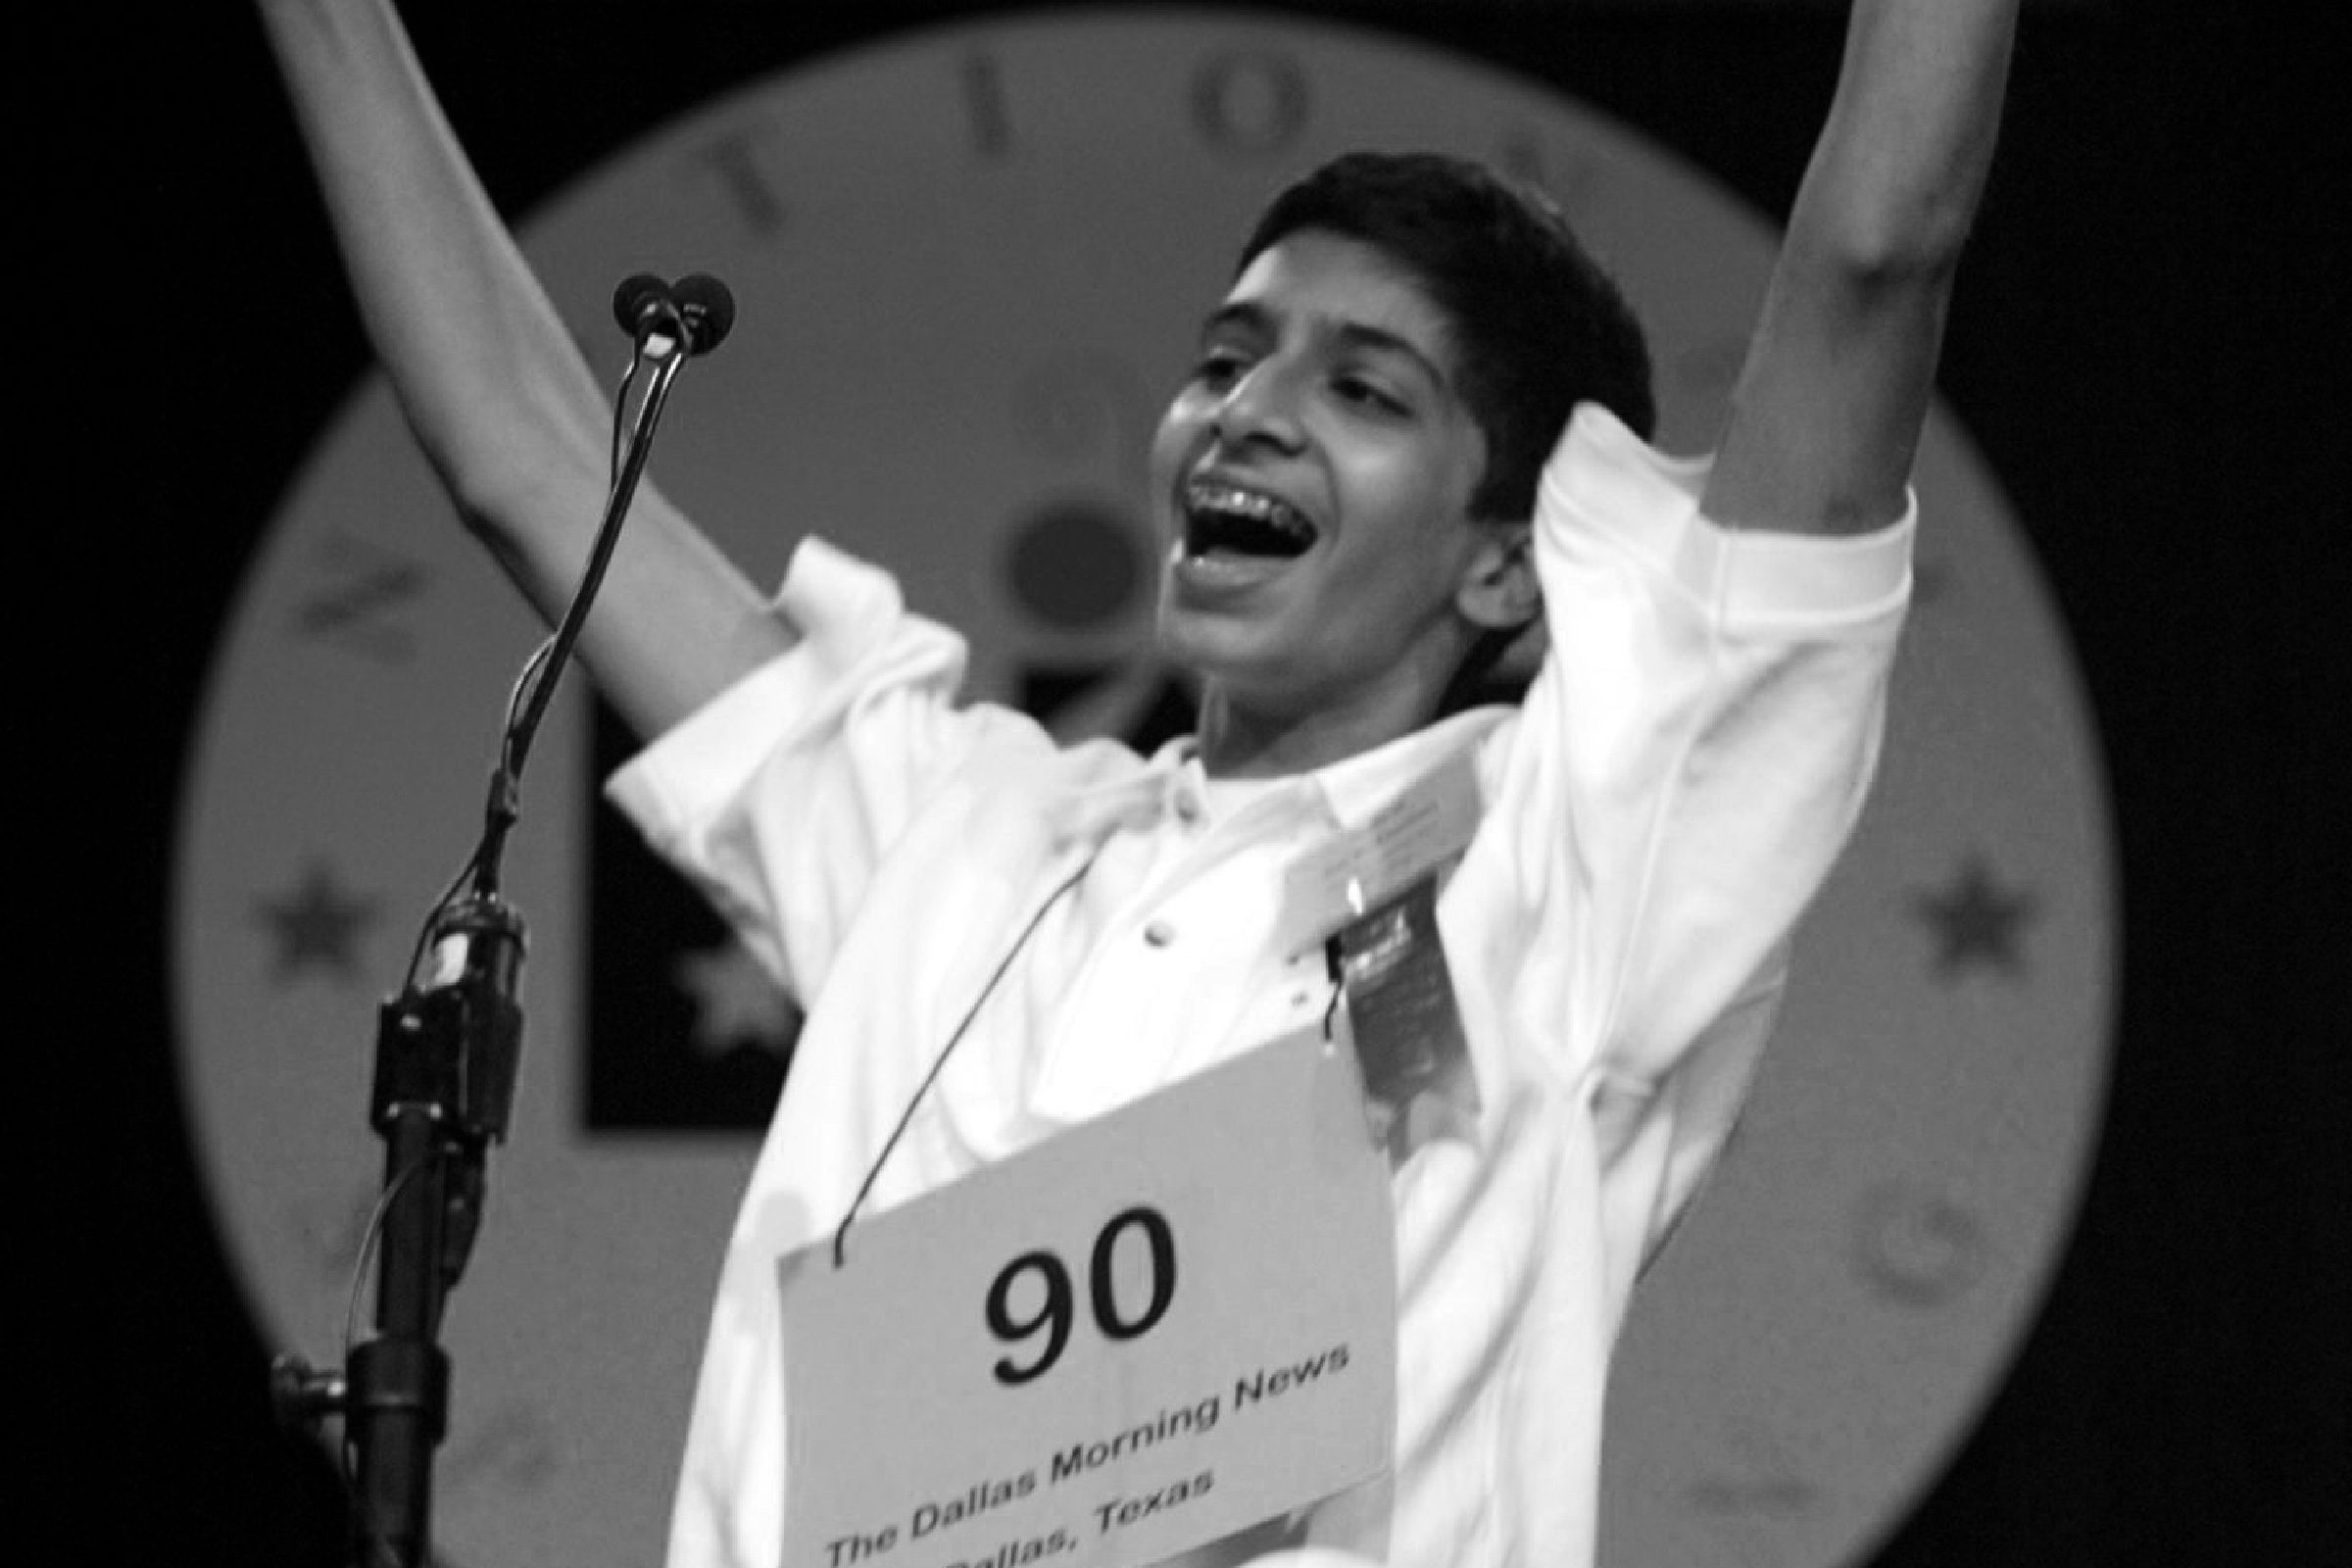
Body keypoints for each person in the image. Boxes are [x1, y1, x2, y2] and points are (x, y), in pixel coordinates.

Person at [254, 1, 2019, 1565]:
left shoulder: (1577, 857)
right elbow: (526, 458)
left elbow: (1878, 252)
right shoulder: (964, 834)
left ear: (1506, 564)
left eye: (1366, 390)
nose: (1245, 412)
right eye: (1226, 356)